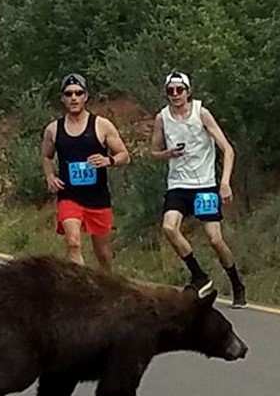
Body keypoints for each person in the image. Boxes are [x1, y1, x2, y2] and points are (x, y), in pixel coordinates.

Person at [151, 71, 248, 307]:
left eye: (179, 90)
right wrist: (167, 154)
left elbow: (227, 149)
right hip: (178, 184)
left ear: (188, 91)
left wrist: (224, 182)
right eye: (170, 91)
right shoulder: (162, 118)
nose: (175, 95)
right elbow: (153, 152)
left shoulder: (201, 113)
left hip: (204, 185)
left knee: (215, 239)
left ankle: (236, 282)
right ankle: (199, 275)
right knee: (169, 227)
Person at [39, 73, 130, 268]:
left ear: (85, 96)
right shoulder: (53, 129)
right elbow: (46, 156)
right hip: (69, 195)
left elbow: (124, 155)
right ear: (62, 98)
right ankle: (79, 291)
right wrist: (50, 176)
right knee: (73, 243)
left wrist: (108, 160)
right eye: (69, 93)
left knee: (103, 254)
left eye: (78, 93)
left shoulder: (102, 125)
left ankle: (107, 288)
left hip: (97, 198)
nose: (73, 97)